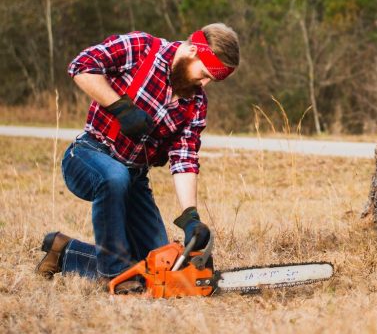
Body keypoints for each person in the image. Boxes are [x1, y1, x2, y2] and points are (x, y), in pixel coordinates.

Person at [34, 23, 240, 293]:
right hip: (88, 155)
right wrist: (119, 106)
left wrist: (190, 216)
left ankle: (64, 251)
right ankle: (113, 275)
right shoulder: (142, 49)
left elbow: (185, 157)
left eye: (212, 80)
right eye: (204, 74)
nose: (204, 83)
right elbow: (81, 65)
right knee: (114, 176)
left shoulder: (196, 104)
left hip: (134, 178)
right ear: (192, 50)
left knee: (158, 271)